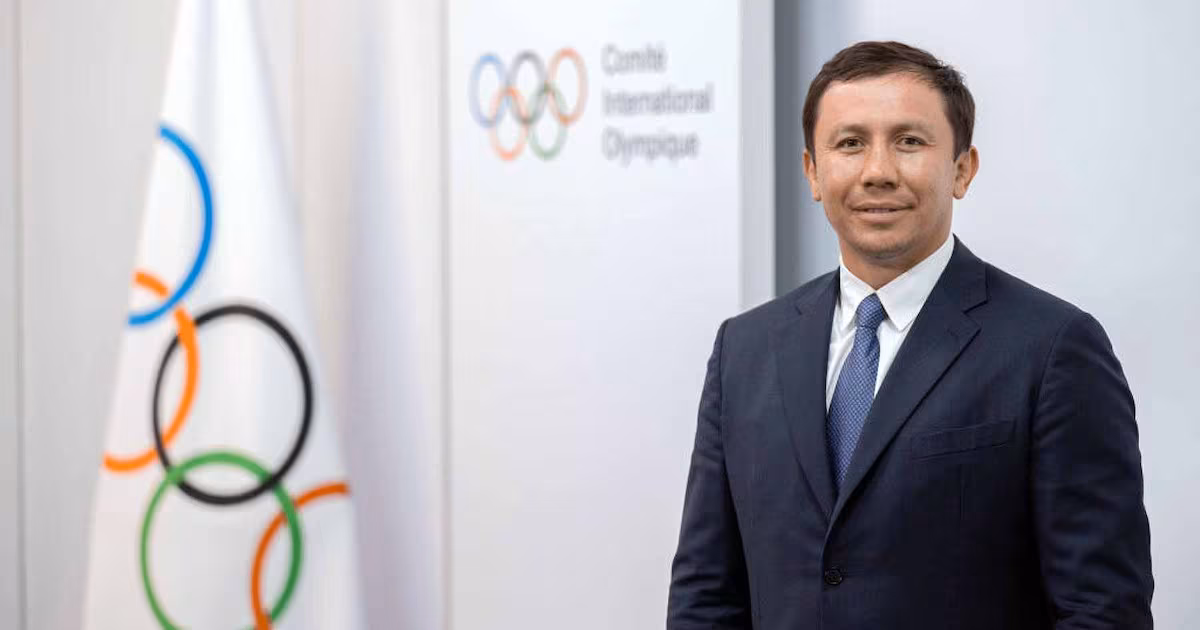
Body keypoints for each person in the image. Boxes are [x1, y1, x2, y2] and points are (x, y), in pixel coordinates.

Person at [666, 41, 1153, 629]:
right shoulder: (745, 350)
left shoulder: (1052, 349)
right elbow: (706, 597)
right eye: (850, 143)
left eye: (909, 141)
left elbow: (1102, 611)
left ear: (962, 169)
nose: (878, 172)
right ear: (813, 172)